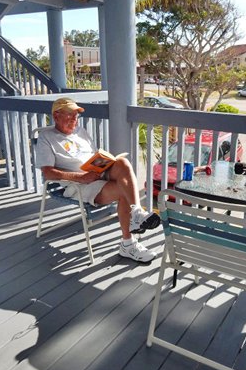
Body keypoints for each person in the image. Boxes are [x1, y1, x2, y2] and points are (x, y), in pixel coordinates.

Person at [35, 97, 161, 263]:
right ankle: (128, 244)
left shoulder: (81, 132)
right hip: (78, 184)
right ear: (56, 116)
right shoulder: (46, 137)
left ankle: (136, 213)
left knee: (122, 162)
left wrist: (103, 163)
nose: (74, 119)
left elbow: (92, 156)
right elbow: (48, 173)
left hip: (96, 173)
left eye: (76, 115)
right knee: (124, 191)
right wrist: (81, 177)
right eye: (70, 115)